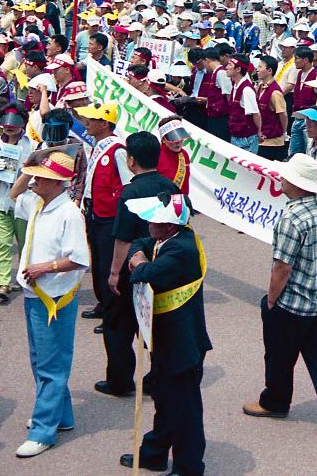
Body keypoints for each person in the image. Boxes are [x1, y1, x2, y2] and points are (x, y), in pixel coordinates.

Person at [244, 154, 317, 437]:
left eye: (285, 176)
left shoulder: (291, 218)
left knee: (279, 356)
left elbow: (282, 268)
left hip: (293, 304)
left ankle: (276, 401)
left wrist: (270, 300)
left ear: (295, 182)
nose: (280, 179)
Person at [121, 193, 212, 475]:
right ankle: (155, 452)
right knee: (165, 398)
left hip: (181, 342)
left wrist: (138, 263)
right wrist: (138, 255)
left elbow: (147, 273)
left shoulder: (182, 249)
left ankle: (189, 466)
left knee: (184, 409)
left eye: (154, 220)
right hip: (165, 338)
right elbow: (140, 244)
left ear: (170, 225)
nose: (148, 223)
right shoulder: (165, 239)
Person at [13, 151, 89, 458]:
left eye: (41, 177)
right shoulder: (38, 203)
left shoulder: (69, 213)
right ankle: (61, 415)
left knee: (51, 364)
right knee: (41, 359)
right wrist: (32, 162)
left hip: (54, 299)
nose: (34, 181)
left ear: (57, 183)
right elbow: (15, 192)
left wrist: (45, 267)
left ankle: (43, 430)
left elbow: (80, 259)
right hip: (36, 295)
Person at [99, 132, 179, 398]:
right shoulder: (171, 187)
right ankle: (157, 377)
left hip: (131, 267)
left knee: (118, 325)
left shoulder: (129, 192)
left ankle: (120, 380)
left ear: (131, 160)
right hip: (162, 265)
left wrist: (113, 273)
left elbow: (122, 238)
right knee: (158, 324)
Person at [78, 102, 131, 332]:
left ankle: (112, 313)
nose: (87, 123)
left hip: (109, 215)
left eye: (92, 119)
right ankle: (102, 303)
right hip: (94, 211)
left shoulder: (118, 149)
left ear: (104, 123)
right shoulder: (98, 145)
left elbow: (127, 184)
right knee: (98, 261)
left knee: (109, 263)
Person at [0, 104, 34, 302]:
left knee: (24, 244)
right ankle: (3, 282)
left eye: (13, 124)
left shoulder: (30, 145)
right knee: (3, 243)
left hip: (21, 203)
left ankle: (23, 277)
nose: (9, 128)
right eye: (6, 124)